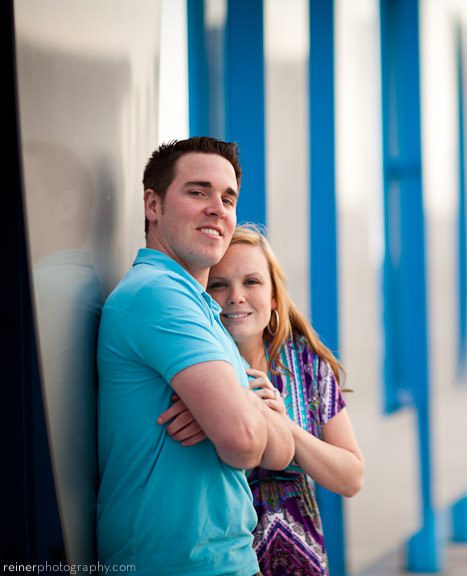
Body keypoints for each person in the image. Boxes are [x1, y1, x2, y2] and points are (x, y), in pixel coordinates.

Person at [96, 137, 295, 575]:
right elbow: (245, 443)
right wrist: (242, 408)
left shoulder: (204, 310)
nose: (217, 209)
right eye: (198, 191)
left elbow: (281, 452)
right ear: (153, 204)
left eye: (228, 198)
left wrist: (232, 407)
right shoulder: (158, 294)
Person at [186, 224, 364, 575]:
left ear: (273, 297)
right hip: (222, 562)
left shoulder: (306, 364)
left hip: (303, 563)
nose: (236, 296)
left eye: (251, 282)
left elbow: (351, 478)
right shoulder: (189, 368)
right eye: (219, 284)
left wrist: (284, 428)